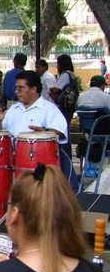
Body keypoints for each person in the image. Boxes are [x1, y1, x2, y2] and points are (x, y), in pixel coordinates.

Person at [49, 54, 80, 190]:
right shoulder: (72, 75)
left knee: (62, 132)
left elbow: (55, 89)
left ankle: (65, 157)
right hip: (68, 107)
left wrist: (51, 90)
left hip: (62, 107)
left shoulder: (65, 75)